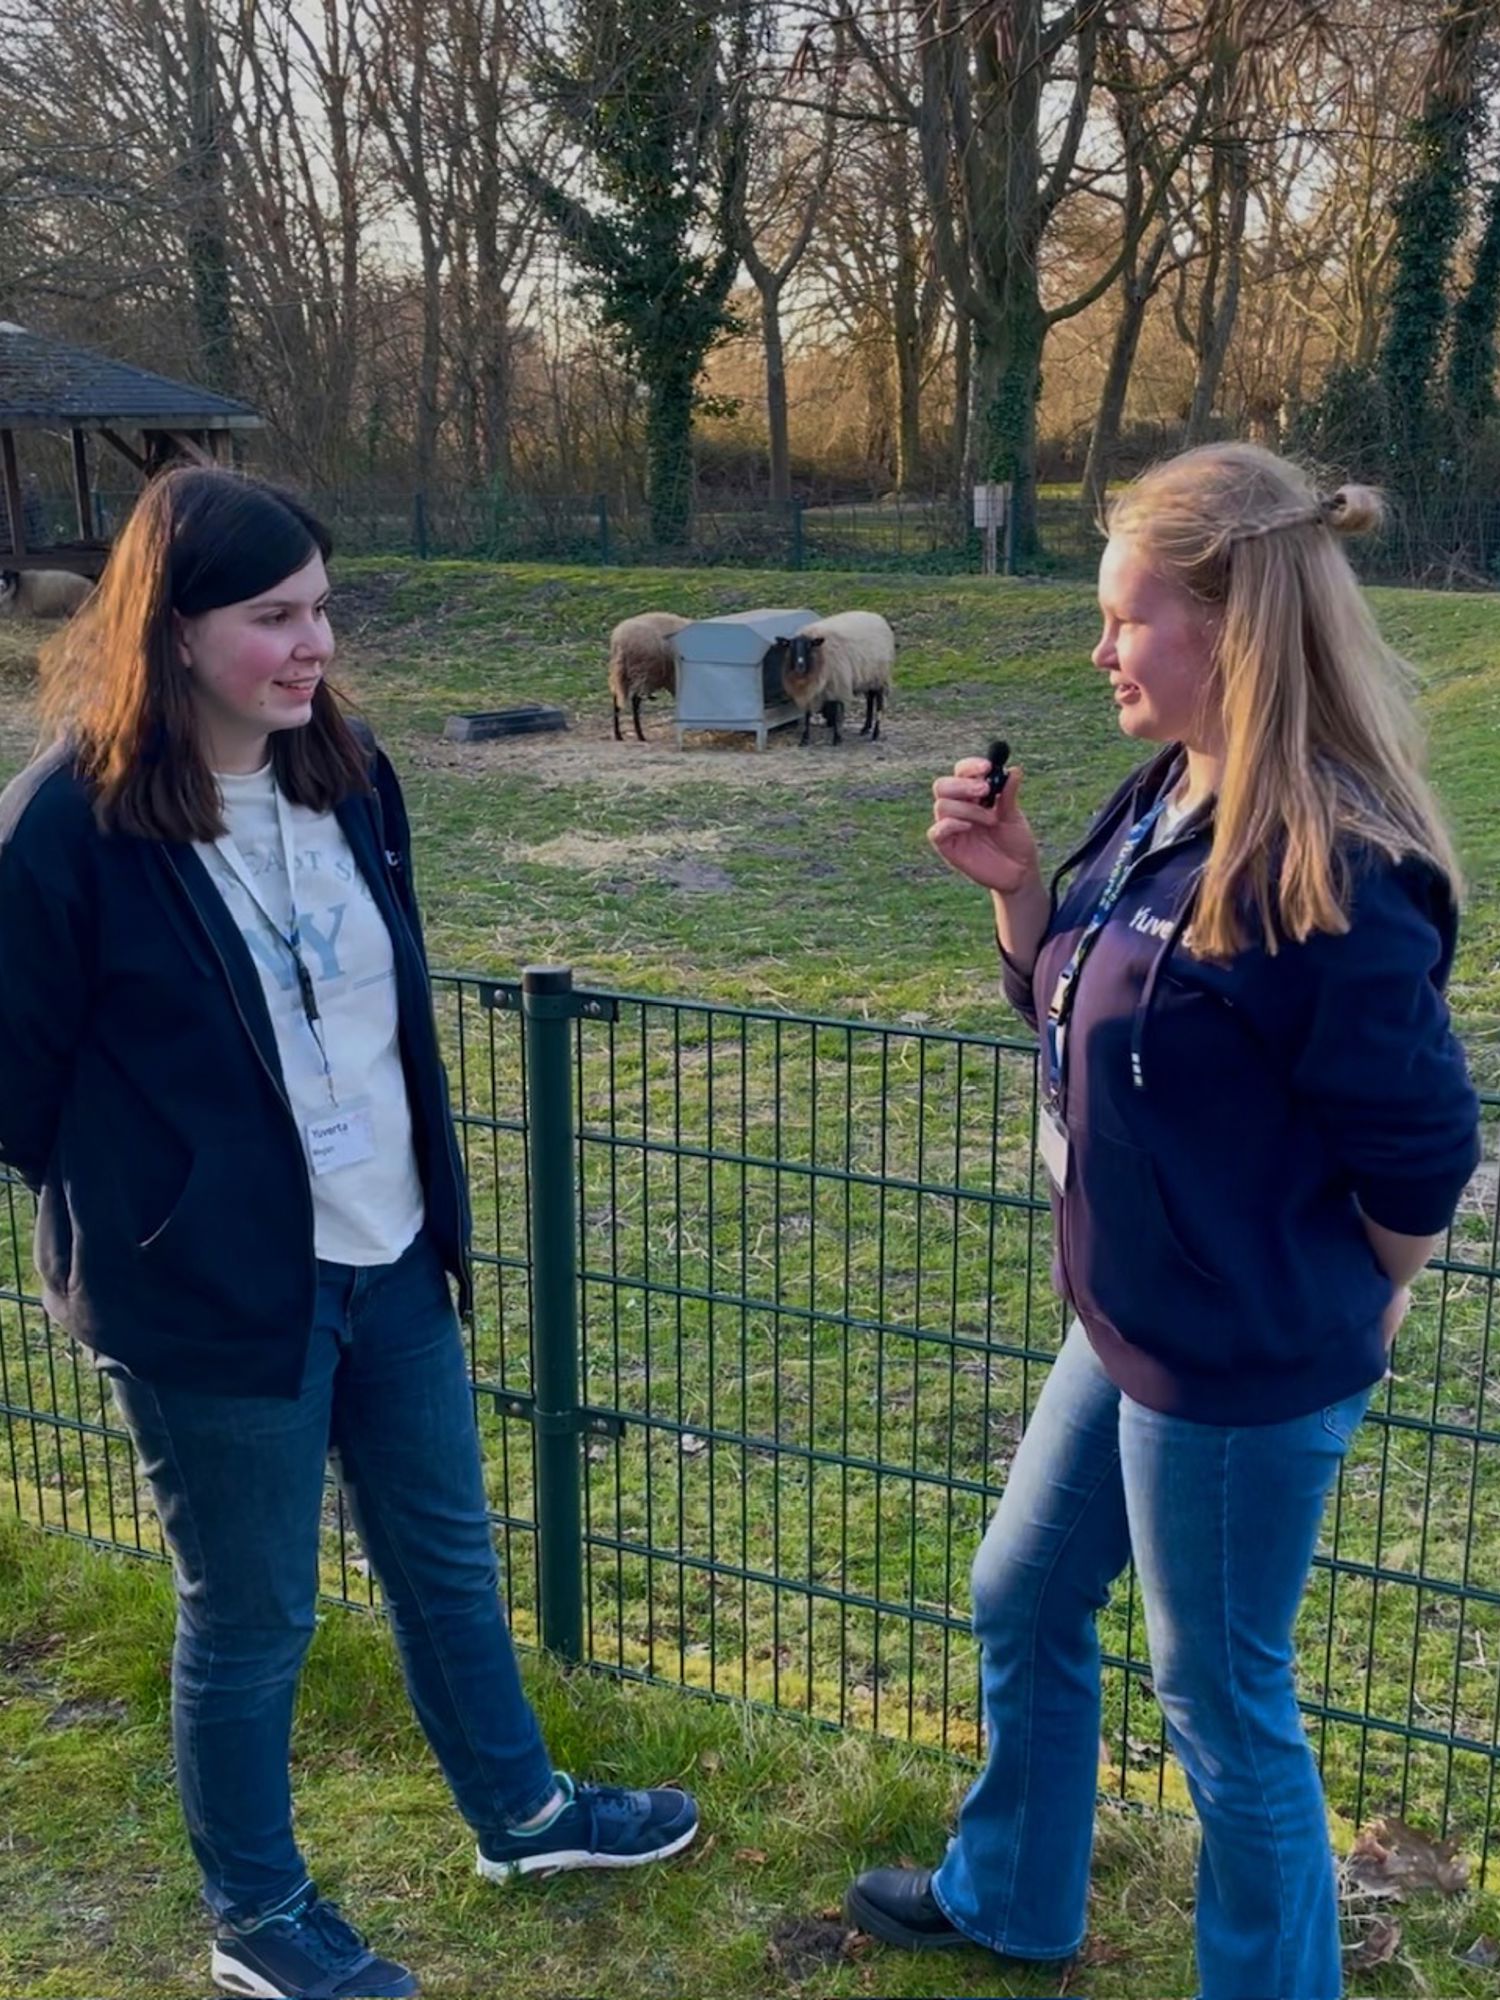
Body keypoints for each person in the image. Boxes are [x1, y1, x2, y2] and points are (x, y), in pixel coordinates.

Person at [0, 468, 698, 2000]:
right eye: (271, 617)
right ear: (171, 632)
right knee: (254, 1619)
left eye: (320, 608)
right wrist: (166, 1205)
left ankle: (522, 1817)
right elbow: (19, 1093)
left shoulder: (351, 774)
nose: (311, 646)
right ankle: (257, 1917)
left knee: (449, 1563)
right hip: (211, 1300)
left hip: (390, 1260)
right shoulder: (65, 829)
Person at [844, 443, 1481, 1999]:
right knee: (1026, 1587)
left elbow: (1423, 1151)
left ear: (1234, 631)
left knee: (1220, 1703)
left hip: (1237, 1357)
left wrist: (1359, 1297)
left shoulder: (1329, 866)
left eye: (1127, 618)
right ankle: (1010, 1897)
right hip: (1135, 1320)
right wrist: (1016, 899)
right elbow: (1097, 1018)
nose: (1100, 649)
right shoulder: (1169, 795)